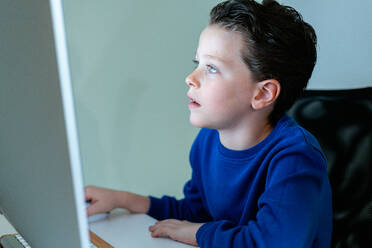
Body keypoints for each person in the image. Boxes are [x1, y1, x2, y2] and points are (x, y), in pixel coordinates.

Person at [85, 0, 333, 247]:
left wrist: (198, 234)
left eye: (212, 68)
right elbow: (198, 215)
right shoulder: (208, 139)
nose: (190, 78)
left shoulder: (295, 157)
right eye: (197, 64)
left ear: (262, 94)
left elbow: (273, 243)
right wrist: (124, 199)